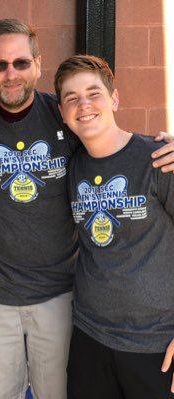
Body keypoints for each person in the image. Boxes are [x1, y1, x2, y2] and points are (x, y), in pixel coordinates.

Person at [0, 19, 174, 399]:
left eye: (21, 63)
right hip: (13, 301)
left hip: (69, 300)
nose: (11, 74)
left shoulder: (144, 156)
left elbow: (120, 146)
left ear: (38, 65)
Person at [54, 54, 174, 399]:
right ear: (62, 112)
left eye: (94, 93)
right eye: (71, 98)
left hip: (156, 345)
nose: (84, 105)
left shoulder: (157, 159)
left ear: (115, 99)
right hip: (90, 339)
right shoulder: (72, 167)